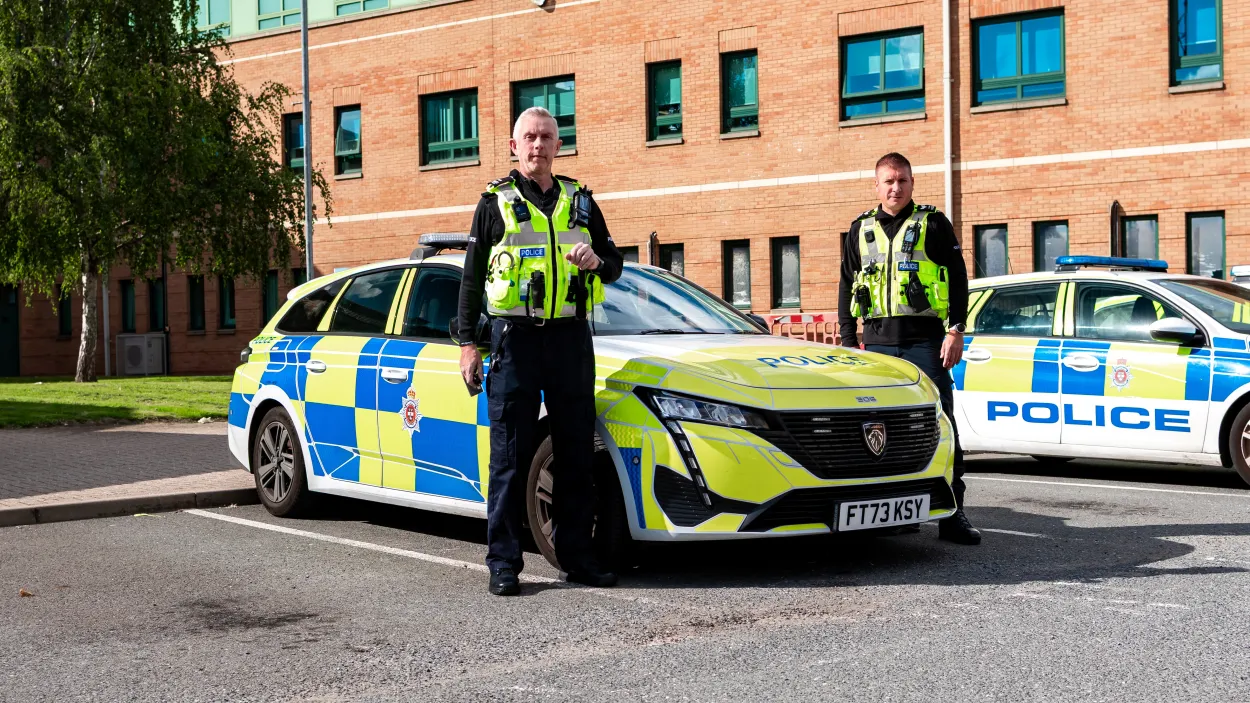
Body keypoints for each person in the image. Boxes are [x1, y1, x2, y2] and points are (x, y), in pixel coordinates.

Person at [456, 106, 624, 595]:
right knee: (509, 455)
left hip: (571, 338)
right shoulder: (494, 203)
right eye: (529, 137)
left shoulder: (583, 203)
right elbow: (470, 282)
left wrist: (597, 260)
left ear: (558, 144)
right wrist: (469, 346)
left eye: (546, 137)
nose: (538, 146)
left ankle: (576, 555)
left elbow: (614, 263)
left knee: (575, 454)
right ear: (514, 146)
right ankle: (504, 561)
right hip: (516, 341)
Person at [837, 152, 981, 545]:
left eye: (902, 180)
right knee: (878, 433)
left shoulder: (933, 223)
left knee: (941, 425)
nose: (895, 188)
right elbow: (845, 287)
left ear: (912, 183)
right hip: (877, 347)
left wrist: (955, 331)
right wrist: (851, 346)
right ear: (877, 184)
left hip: (925, 344)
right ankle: (891, 512)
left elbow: (958, 278)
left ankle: (954, 514)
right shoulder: (859, 229)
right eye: (888, 181)